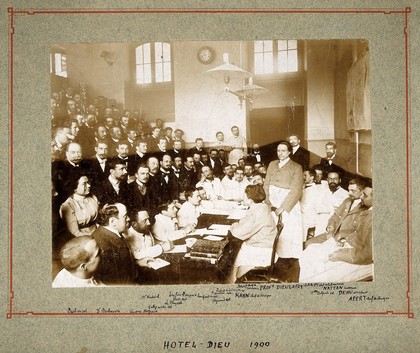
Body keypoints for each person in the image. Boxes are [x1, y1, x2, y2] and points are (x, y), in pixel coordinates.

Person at [299, 183, 373, 283]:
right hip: (343, 240)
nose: (361, 196)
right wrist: (335, 233)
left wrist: (339, 254)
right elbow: (337, 218)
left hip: (352, 251)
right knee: (309, 251)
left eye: (365, 195)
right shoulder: (364, 209)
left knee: (318, 263)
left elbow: (367, 254)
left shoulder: (370, 218)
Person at [227, 185, 277, 283]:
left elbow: (238, 233)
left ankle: (230, 286)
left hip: (261, 251)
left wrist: (233, 226)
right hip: (263, 245)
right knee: (235, 256)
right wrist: (238, 224)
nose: (242, 198)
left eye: (244, 196)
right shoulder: (261, 207)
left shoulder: (257, 212)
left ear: (250, 201)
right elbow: (245, 222)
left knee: (232, 264)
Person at [263, 141, 304, 260]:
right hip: (271, 201)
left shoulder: (296, 167)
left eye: (283, 151)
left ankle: (286, 257)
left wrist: (283, 207)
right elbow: (266, 184)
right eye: (278, 151)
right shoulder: (272, 164)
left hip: (287, 202)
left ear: (289, 152)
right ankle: (272, 257)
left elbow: (296, 190)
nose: (280, 153)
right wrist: (267, 200)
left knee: (287, 230)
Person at [91, 203, 137, 285]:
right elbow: (115, 280)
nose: (129, 219)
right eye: (125, 216)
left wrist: (138, 262)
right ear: (112, 221)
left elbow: (122, 266)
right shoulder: (104, 244)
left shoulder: (107, 233)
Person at [313, 171, 349, 236]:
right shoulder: (321, 192)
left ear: (339, 180)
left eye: (335, 179)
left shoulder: (345, 194)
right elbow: (316, 207)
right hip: (320, 223)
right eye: (330, 179)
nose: (332, 181)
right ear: (327, 180)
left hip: (335, 225)